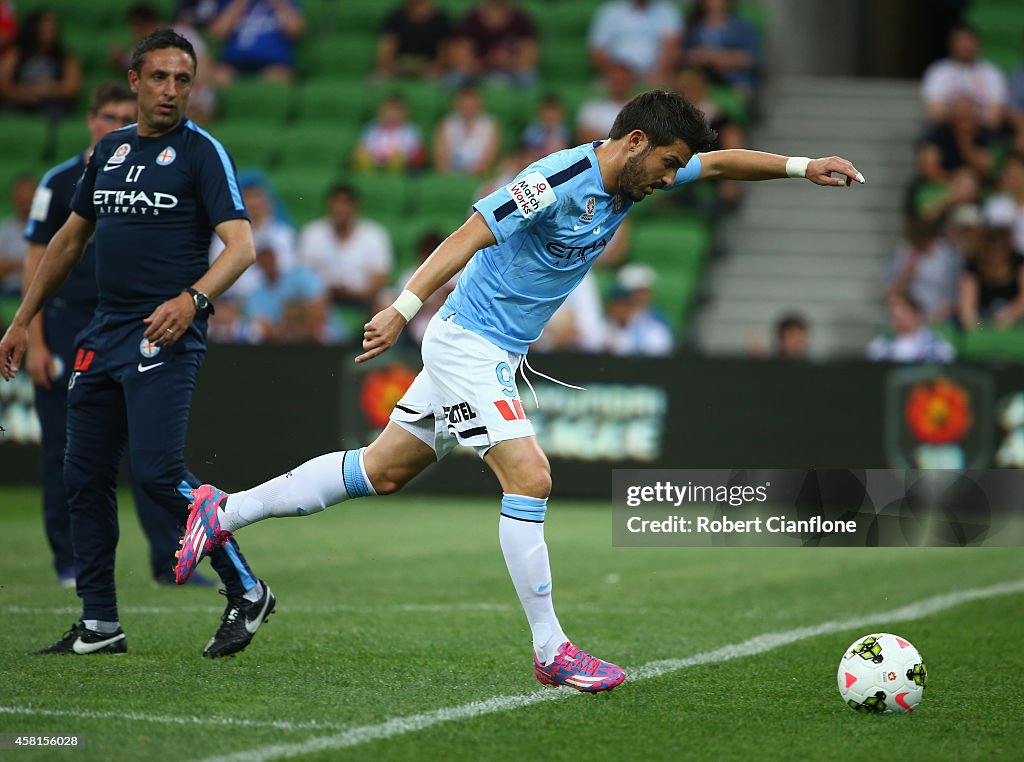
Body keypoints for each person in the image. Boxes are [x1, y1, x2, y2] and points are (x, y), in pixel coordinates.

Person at [170, 90, 863, 692]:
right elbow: (470, 233)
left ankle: (221, 510)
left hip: (494, 353)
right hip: (465, 342)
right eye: (668, 162)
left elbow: (718, 164)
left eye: (677, 167)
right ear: (635, 142)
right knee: (531, 476)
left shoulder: (637, 176)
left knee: (378, 472)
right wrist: (402, 307)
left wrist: (805, 168)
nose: (673, 176)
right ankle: (550, 649)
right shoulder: (556, 178)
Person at [0, 29, 274, 658]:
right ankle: (99, 622)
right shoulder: (111, 152)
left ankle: (247, 588)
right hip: (102, 331)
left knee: (155, 473)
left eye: (183, 80)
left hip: (165, 332)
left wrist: (193, 300)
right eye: (159, 78)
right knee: (82, 475)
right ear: (135, 81)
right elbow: (68, 241)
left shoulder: (204, 152)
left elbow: (242, 248)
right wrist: (22, 319)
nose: (172, 91)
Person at [21, 82, 205, 589]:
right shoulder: (59, 182)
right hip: (65, 321)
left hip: (131, 321)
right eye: (109, 116)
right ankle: (70, 562)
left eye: (125, 116)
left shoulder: (152, 168)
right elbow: (41, 256)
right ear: (90, 120)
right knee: (68, 451)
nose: (117, 124)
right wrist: (34, 338)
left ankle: (170, 559)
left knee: (151, 454)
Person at [297, 184, 394, 314]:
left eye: (345, 203)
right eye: (336, 203)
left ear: (355, 206)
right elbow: (302, 275)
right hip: (322, 297)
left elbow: (380, 278)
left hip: (363, 297)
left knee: (386, 301)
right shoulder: (312, 234)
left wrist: (353, 293)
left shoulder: (374, 235)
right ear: (328, 205)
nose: (340, 209)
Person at [921, 23, 1007, 129]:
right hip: (947, 129)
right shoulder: (938, 71)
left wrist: (970, 116)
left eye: (969, 40)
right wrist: (959, 112)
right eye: (960, 40)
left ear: (978, 43)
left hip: (981, 130)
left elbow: (995, 117)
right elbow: (934, 113)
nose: (965, 45)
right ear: (951, 44)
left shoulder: (992, 72)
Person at [0, 7, 81, 117]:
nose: (48, 36)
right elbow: (4, 85)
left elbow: (72, 87)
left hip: (51, 103)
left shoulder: (64, 56)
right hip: (20, 102)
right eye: (43, 31)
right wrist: (24, 93)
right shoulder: (16, 54)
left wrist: (49, 90)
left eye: (52, 31)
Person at [884, 216, 961, 324]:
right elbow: (891, 294)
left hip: (943, 317)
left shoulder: (948, 255)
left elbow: (955, 295)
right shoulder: (903, 253)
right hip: (910, 318)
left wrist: (936, 317)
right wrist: (906, 275)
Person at [207, 0, 305, 85]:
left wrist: (278, 3)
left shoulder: (286, 2)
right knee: (218, 78)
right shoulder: (229, 2)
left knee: (276, 80)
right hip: (233, 62)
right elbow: (218, 33)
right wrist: (239, 4)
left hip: (274, 63)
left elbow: (296, 30)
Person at [588, 0, 682, 86]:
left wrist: (658, 75)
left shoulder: (667, 11)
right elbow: (597, 51)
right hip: (616, 74)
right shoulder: (611, 11)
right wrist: (615, 74)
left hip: (655, 76)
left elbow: (672, 48)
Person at [682, 0, 760, 100]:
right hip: (701, 79)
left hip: (734, 81)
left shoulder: (742, 28)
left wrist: (715, 58)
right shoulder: (693, 27)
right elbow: (685, 55)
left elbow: (750, 58)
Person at [447, 0, 538, 87]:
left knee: (528, 78)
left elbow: (529, 57)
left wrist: (508, 62)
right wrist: (484, 62)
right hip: (479, 72)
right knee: (454, 78)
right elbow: (461, 54)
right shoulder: (472, 19)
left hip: (511, 72)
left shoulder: (520, 20)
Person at [958, 227, 1024, 329]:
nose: (996, 254)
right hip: (984, 322)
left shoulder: (1019, 263)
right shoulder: (973, 268)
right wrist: (977, 327)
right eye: (991, 249)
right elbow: (967, 308)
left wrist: (1009, 315)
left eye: (1000, 249)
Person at [433, 84, 501, 176]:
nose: (468, 109)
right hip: (450, 174)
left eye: (471, 106)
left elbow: (489, 158)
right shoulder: (447, 123)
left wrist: (472, 175)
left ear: (479, 105)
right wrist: (449, 175)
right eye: (464, 106)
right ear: (456, 105)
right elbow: (440, 156)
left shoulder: (490, 125)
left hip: (478, 174)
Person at [866, 292, 955, 363]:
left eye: (903, 315)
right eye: (895, 317)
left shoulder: (938, 346)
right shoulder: (880, 346)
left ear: (916, 314)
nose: (900, 322)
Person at [374, 0, 452, 81]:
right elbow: (386, 51)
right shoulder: (395, 17)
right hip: (399, 67)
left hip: (430, 69)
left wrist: (428, 68)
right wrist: (394, 67)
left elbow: (445, 54)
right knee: (377, 80)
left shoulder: (441, 19)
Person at [352, 93, 428, 172]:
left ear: (405, 112)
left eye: (397, 110)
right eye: (389, 109)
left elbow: (419, 156)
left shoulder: (412, 130)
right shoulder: (371, 127)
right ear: (381, 110)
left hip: (401, 168)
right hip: (371, 166)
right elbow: (359, 150)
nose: (392, 113)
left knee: (397, 159)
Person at [0, 174, 36, 295]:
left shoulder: (52, 227)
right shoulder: (5, 229)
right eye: (21, 196)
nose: (24, 199)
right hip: (8, 292)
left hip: (43, 293)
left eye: (28, 196)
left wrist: (14, 265)